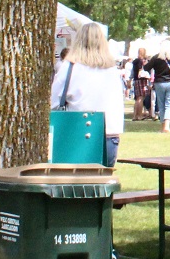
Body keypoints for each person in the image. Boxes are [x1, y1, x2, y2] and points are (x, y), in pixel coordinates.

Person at [51, 23, 127, 167]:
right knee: (103, 179)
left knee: (74, 179)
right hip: (109, 134)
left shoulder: (69, 67)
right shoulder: (112, 70)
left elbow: (54, 102)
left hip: (77, 132)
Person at [130, 47, 151, 119]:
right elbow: (141, 71)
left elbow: (133, 72)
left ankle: (135, 115)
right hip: (142, 80)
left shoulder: (135, 61)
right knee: (140, 98)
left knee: (137, 98)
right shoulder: (141, 61)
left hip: (136, 80)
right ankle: (139, 115)